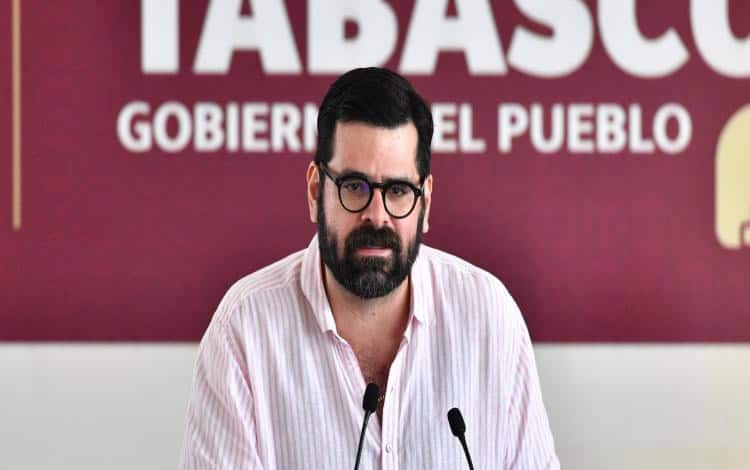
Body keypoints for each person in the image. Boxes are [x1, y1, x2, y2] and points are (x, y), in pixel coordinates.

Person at [178, 67, 559, 469]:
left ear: (425, 203)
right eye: (354, 187)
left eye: (398, 190)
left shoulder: (490, 318)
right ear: (315, 192)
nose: (377, 216)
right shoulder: (244, 330)